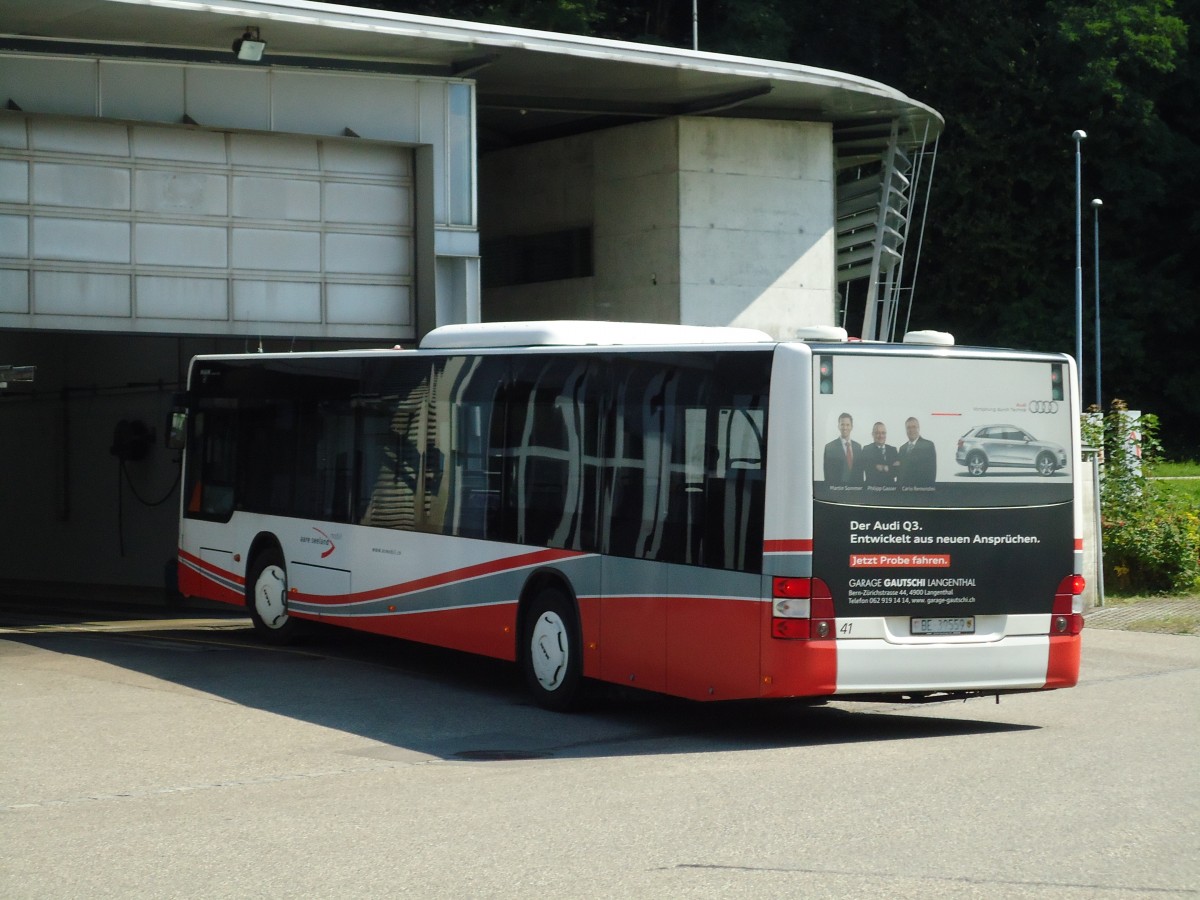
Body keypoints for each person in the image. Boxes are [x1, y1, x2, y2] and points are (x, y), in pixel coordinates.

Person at [822, 412, 863, 484]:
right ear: (838, 426)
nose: (845, 428)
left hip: (855, 491)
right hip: (837, 490)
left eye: (847, 425)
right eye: (842, 425)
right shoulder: (830, 448)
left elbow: (860, 473)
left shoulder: (858, 447)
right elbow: (828, 475)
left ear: (852, 427)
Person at [895, 416, 937, 486]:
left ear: (919, 428)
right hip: (904, 492)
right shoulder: (902, 449)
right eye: (908, 428)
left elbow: (932, 472)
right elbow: (900, 473)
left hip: (921, 491)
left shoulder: (928, 445)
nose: (911, 430)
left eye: (914, 427)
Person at [860, 421, 897, 486]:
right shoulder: (867, 450)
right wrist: (889, 467)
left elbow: (897, 471)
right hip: (872, 490)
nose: (881, 436)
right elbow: (868, 469)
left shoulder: (893, 450)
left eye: (883, 433)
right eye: (877, 433)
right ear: (872, 434)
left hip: (890, 490)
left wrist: (879, 467)